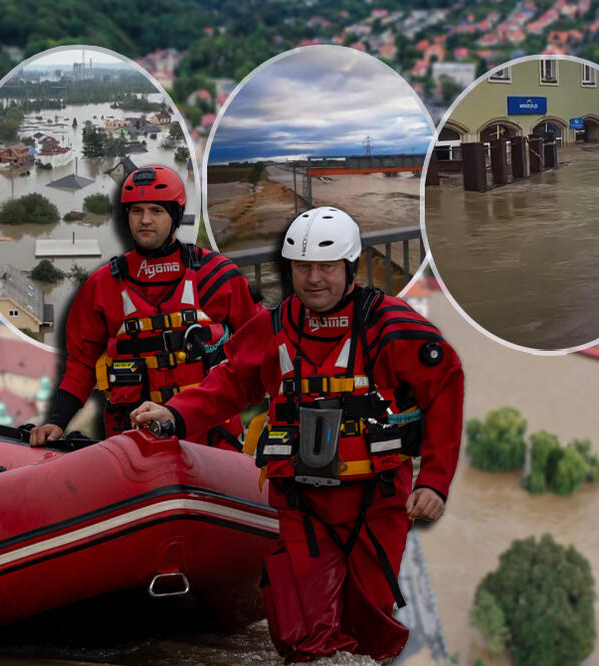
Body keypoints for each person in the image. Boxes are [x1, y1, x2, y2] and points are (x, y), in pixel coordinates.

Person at [131, 207, 464, 662]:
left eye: (326, 267)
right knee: (302, 631)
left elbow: (444, 385)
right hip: (301, 500)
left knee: (367, 620)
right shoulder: (275, 326)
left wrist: (435, 481)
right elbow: (230, 382)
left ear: (349, 268)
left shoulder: (390, 326)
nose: (313, 279)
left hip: (377, 499)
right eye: (302, 267)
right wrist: (174, 412)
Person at [29, 165, 262, 450]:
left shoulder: (217, 276)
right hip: (133, 442)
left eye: (156, 210)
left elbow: (261, 346)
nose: (145, 220)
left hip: (211, 440)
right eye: (136, 211)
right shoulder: (102, 286)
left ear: (174, 216)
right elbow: (81, 362)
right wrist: (57, 420)